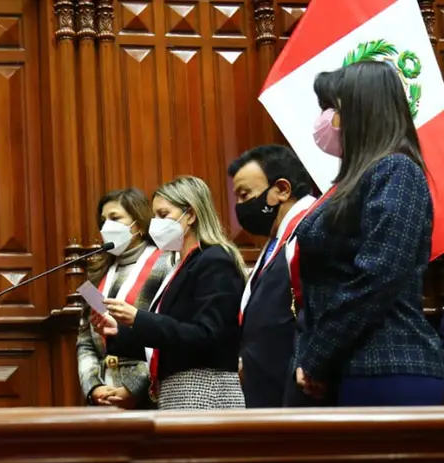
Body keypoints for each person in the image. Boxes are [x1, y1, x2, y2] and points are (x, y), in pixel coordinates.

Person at [293, 60, 444, 406]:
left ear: (362, 111)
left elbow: (379, 275)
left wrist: (317, 355)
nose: (325, 119)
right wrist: (314, 357)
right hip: (349, 367)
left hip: (388, 367)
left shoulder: (397, 170)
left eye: (331, 108)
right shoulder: (357, 179)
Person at [96, 176, 246, 410]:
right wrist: (120, 331)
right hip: (178, 391)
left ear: (191, 215)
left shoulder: (214, 260)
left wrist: (138, 318)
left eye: (163, 214)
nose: (155, 223)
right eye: (154, 216)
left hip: (205, 391)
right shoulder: (180, 266)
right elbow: (170, 339)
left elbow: (208, 335)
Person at [229, 145, 316, 407]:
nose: (240, 207)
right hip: (266, 392)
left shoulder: (311, 229)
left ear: (282, 189)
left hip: (298, 393)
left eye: (245, 194)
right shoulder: (276, 240)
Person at [77, 188, 174, 408]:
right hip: (103, 394)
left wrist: (132, 387)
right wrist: (94, 387)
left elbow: (166, 333)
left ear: (139, 225)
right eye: (103, 221)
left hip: (149, 394)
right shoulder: (96, 274)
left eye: (115, 218)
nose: (106, 227)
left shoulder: (166, 264)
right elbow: (85, 341)